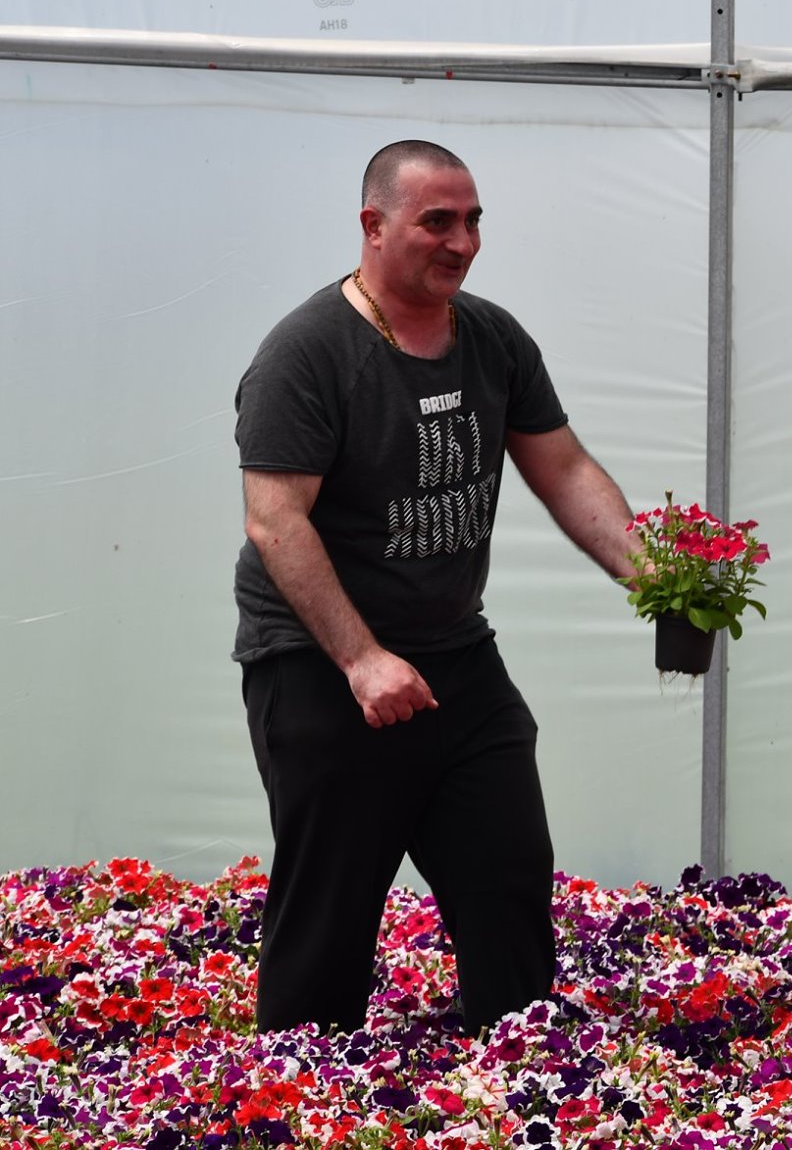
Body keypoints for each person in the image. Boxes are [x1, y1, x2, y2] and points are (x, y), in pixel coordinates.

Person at [232, 139, 637, 1035]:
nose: (463, 241)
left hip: (457, 657)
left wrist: (656, 575)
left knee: (508, 874)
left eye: (474, 220)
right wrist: (363, 658)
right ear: (373, 226)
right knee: (327, 917)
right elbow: (275, 521)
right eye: (438, 222)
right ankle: (304, 1091)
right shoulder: (306, 353)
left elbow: (562, 468)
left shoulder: (491, 337)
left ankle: (526, 1072)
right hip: (321, 668)